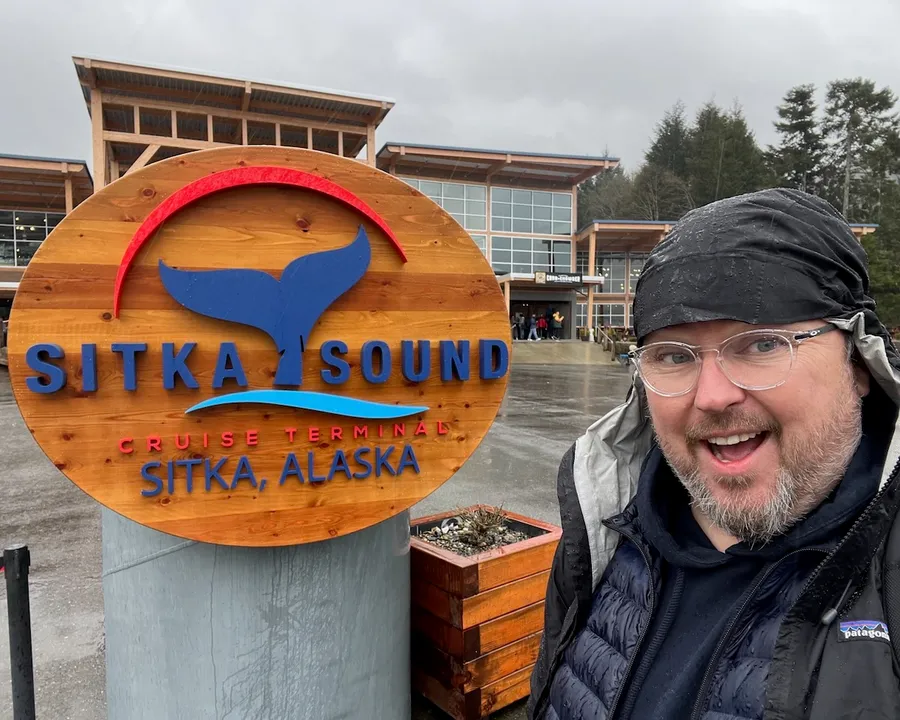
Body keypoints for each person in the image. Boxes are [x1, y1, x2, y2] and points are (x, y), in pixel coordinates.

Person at [528, 188, 900, 720]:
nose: (712, 396)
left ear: (859, 363)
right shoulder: (607, 536)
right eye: (674, 356)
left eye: (762, 344)